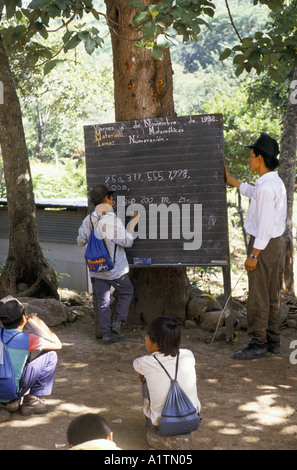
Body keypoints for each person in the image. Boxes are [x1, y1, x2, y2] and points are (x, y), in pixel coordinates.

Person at [225, 132, 287, 360]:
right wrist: (233, 182)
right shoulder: (273, 183)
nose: (249, 159)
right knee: (271, 294)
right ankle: (273, 340)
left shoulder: (266, 188)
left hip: (263, 244)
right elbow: (254, 193)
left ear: (260, 158)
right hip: (274, 244)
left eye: (251, 156)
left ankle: (258, 343)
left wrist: (254, 254)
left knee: (258, 295)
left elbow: (264, 226)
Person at [77, 184, 140, 345]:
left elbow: (80, 241)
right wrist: (133, 224)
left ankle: (106, 333)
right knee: (127, 291)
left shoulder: (88, 220)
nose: (112, 201)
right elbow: (127, 241)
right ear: (106, 199)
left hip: (96, 268)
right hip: (114, 270)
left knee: (103, 301)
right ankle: (118, 323)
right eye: (111, 198)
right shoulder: (111, 221)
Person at [133, 316, 201, 430]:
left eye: (147, 337)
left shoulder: (145, 362)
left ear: (155, 343)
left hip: (162, 422)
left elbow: (140, 373)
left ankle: (154, 418)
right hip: (192, 416)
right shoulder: (188, 355)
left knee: (145, 379)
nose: (145, 338)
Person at [0, 296, 62, 415]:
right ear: (23, 319)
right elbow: (57, 344)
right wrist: (35, 319)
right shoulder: (28, 340)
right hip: (11, 394)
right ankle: (31, 402)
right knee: (51, 355)